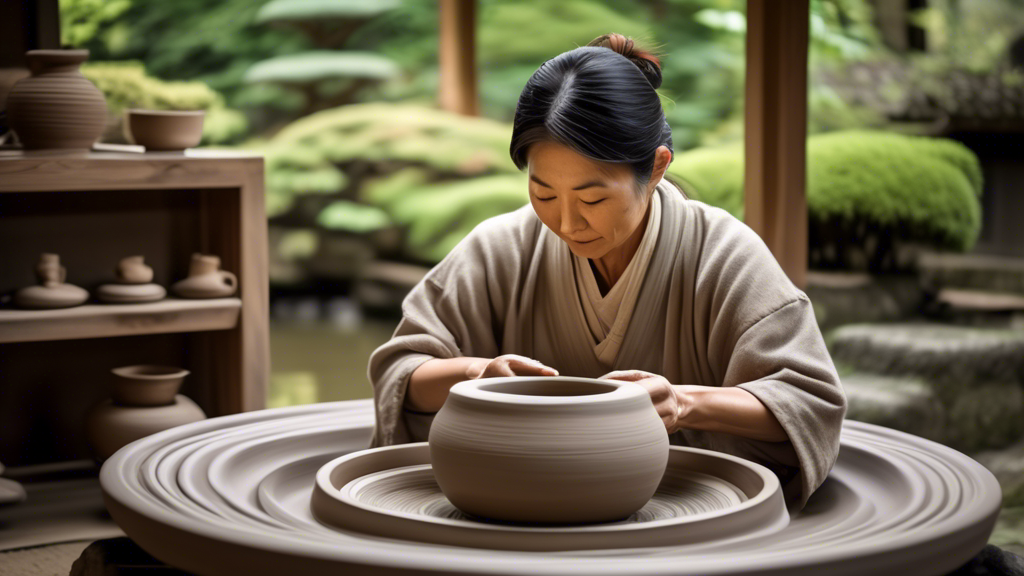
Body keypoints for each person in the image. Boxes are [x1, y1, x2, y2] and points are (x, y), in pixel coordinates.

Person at [368, 33, 846, 513]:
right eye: (545, 195)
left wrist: (682, 404)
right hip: (521, 505)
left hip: (686, 510)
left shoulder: (721, 255)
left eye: (593, 199)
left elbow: (807, 401)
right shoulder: (503, 247)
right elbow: (402, 372)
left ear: (656, 167)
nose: (568, 223)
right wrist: (475, 377)